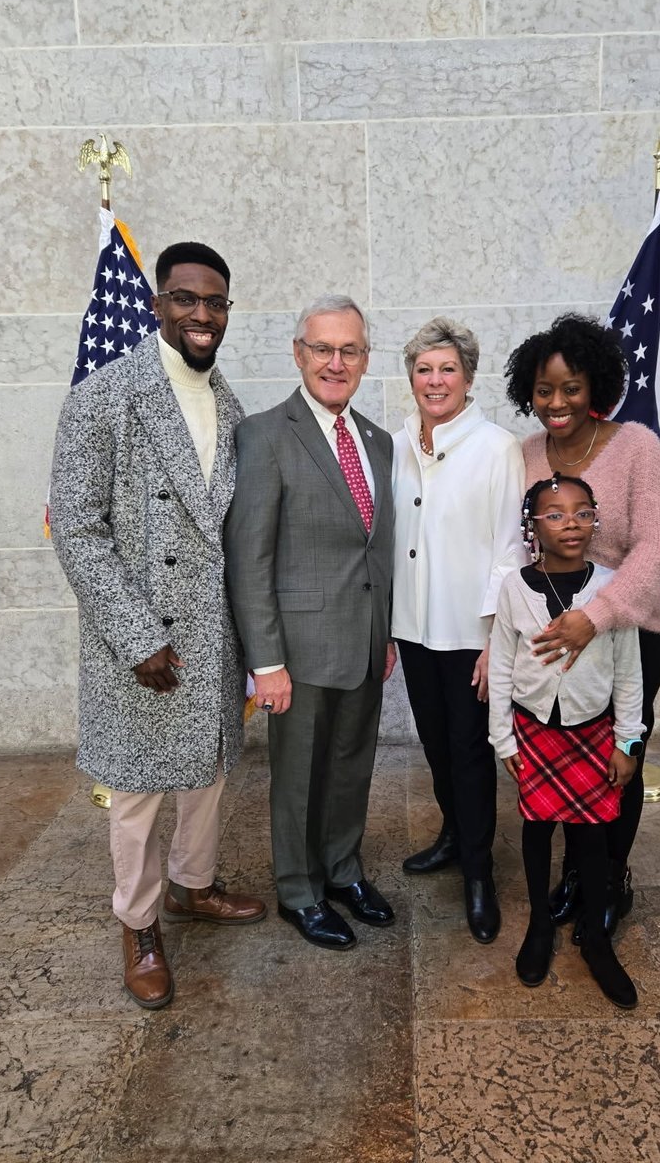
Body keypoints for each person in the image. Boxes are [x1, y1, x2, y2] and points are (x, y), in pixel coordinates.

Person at [49, 242, 266, 1011]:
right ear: (156, 304)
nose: (201, 315)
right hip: (139, 641)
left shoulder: (232, 404)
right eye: (185, 299)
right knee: (139, 790)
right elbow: (77, 528)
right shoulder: (106, 396)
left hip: (212, 633)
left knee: (207, 770)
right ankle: (138, 925)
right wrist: (137, 635)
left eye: (215, 303)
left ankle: (193, 886)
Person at [224, 295, 396, 951]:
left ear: (364, 359)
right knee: (298, 775)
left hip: (365, 640)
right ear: (299, 354)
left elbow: (374, 546)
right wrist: (265, 661)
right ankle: (298, 889)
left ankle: (343, 870)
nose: (335, 361)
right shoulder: (266, 435)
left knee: (352, 765)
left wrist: (385, 632)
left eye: (349, 350)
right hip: (295, 651)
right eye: (322, 348)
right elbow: (250, 555)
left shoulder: (376, 441)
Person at [504, 312, 660, 940]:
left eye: (571, 388)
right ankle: (576, 876)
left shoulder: (636, 446)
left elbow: (658, 550)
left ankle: (610, 878)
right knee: (565, 753)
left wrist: (595, 617)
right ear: (529, 389)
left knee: (617, 756)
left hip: (625, 631)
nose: (557, 402)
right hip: (552, 638)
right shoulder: (523, 454)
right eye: (545, 390)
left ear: (595, 386)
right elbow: (516, 550)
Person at [392, 316, 526, 943]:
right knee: (437, 745)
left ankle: (479, 871)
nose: (435, 379)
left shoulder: (498, 448)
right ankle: (452, 834)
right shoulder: (394, 446)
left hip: (471, 634)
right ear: (411, 377)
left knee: (472, 754)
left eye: (447, 368)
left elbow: (510, 550)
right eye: (424, 369)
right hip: (414, 629)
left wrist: (496, 637)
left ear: (469, 378)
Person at [488, 474, 643, 1008]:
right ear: (532, 527)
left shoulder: (611, 588)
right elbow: (504, 667)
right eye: (554, 514)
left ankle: (598, 940)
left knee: (597, 834)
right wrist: (503, 740)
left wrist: (628, 741)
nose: (570, 523)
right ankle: (539, 925)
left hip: (593, 732)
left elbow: (629, 671)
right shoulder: (514, 587)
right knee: (536, 828)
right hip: (535, 732)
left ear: (595, 518)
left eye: (581, 512)